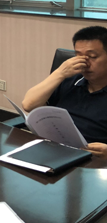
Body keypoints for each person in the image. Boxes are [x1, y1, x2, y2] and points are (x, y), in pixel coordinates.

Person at [22, 26, 107, 158]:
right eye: (78, 56)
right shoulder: (71, 79)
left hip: (93, 159)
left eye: (92, 57)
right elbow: (28, 105)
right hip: (56, 150)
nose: (84, 63)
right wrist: (60, 73)